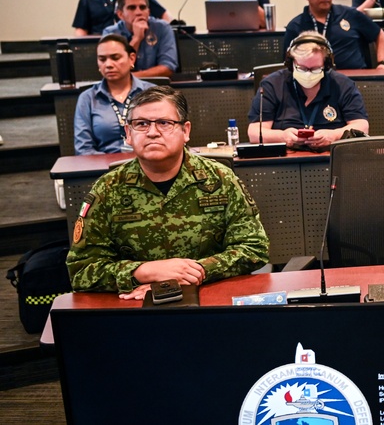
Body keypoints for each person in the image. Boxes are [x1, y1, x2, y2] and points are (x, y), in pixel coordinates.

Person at [65, 86, 269, 299]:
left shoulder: (220, 179)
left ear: (185, 131)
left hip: (210, 299)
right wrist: (143, 272)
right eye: (141, 124)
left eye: (164, 123)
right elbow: (81, 271)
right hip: (137, 309)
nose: (153, 132)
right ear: (128, 134)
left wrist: (196, 272)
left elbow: (254, 248)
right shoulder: (107, 190)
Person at [249, 31, 369, 150]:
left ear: (326, 65)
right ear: (291, 64)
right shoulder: (272, 85)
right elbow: (254, 133)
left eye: (315, 69)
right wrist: (282, 136)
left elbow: (362, 127)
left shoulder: (342, 85)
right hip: (284, 161)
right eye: (302, 68)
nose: (308, 74)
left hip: (332, 158)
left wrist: (334, 135)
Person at [285, 0, 384, 70]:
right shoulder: (296, 25)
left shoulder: (350, 14)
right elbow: (288, 62)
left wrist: (383, 62)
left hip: (355, 78)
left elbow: (379, 34)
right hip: (314, 80)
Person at [73, 34, 156, 155]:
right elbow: (83, 149)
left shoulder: (152, 92)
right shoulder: (88, 98)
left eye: (115, 58)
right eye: (102, 59)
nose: (108, 65)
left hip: (149, 164)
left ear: (131, 59)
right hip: (104, 168)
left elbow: (166, 135)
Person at [103, 0, 178, 78]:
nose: (139, 12)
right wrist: (136, 39)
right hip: (123, 88)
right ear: (120, 15)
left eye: (142, 7)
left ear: (148, 12)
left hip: (156, 86)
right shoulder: (111, 33)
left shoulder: (162, 28)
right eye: (132, 8)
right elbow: (115, 68)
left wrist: (131, 78)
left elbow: (168, 68)